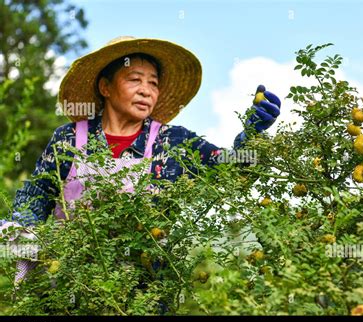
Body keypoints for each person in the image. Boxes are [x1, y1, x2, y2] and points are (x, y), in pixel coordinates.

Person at [0, 36, 281, 285]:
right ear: (106, 87)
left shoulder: (173, 143)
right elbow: (33, 200)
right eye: (134, 79)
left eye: (153, 83)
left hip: (144, 290)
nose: (146, 90)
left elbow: (230, 171)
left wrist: (251, 136)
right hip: (69, 285)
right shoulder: (69, 139)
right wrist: (23, 237)